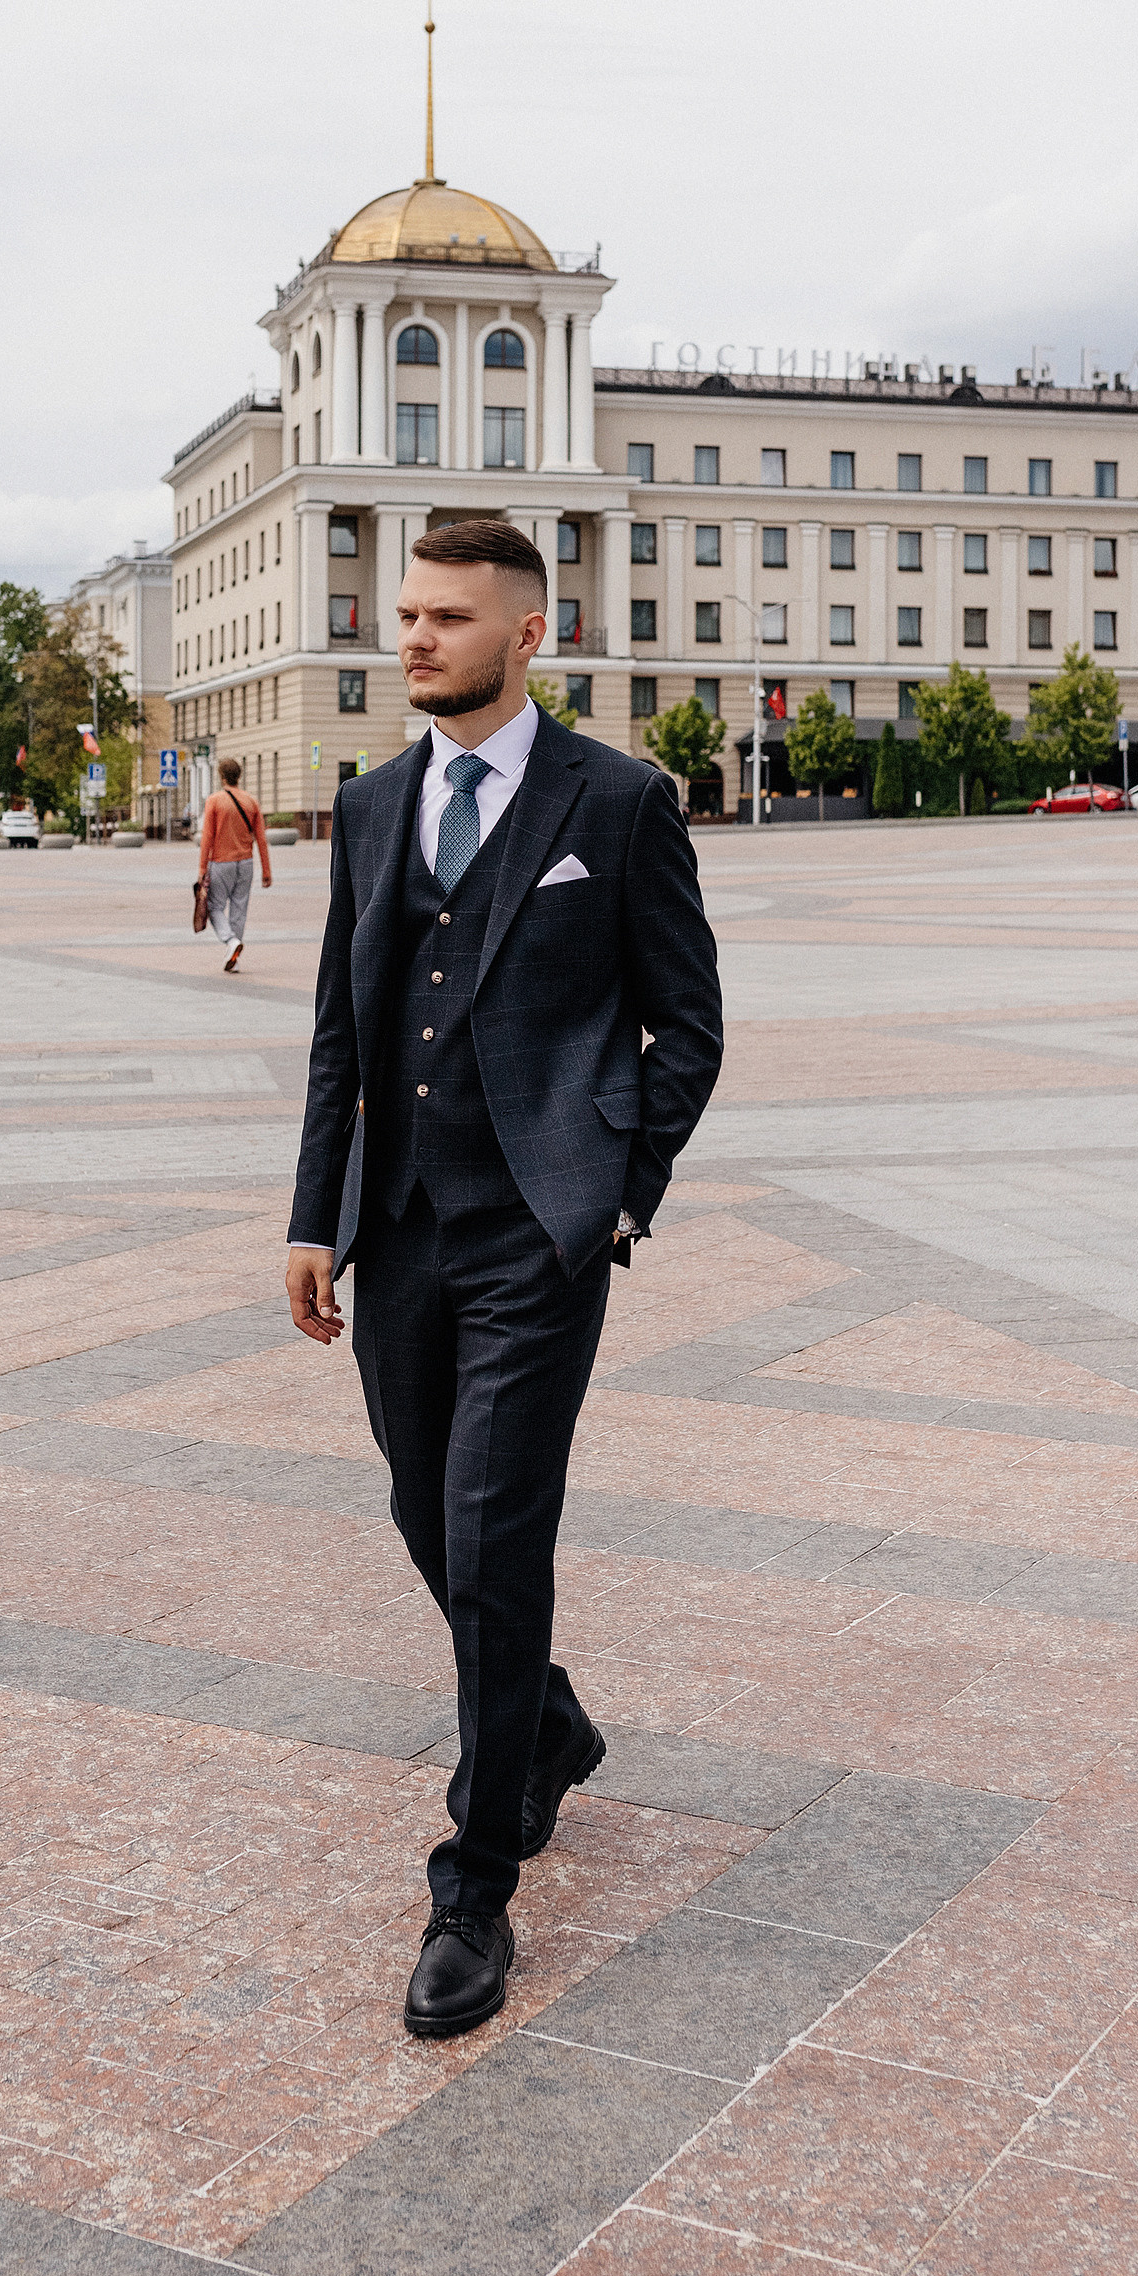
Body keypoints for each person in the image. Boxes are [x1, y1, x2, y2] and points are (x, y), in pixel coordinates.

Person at [286, 518, 722, 2038]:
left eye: (446, 618)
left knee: (490, 1534)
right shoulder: (369, 806)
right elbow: (341, 1028)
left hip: (538, 1233)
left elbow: (687, 1026)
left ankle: (473, 1884)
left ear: (529, 634)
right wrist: (314, 1215)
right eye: (406, 614)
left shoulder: (617, 799)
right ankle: (544, 1726)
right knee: (424, 1510)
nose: (411, 637)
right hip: (400, 1226)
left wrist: (616, 1197)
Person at [196, 755, 271, 970]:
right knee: (239, 908)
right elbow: (261, 839)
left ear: (222, 776)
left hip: (221, 862)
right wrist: (266, 870)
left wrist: (202, 868)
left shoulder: (214, 801)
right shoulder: (251, 801)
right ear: (239, 776)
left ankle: (231, 941)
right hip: (246, 863)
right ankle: (234, 957)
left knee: (214, 906)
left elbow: (207, 837)